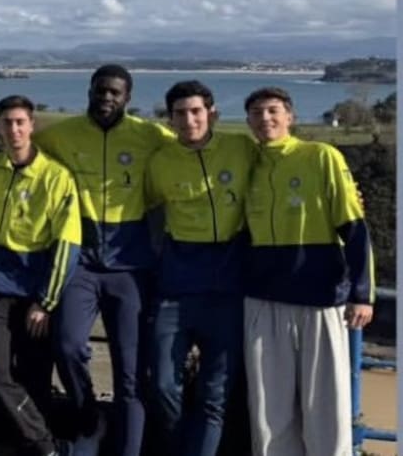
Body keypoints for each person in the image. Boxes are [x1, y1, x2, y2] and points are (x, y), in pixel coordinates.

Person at [33, 64, 173, 456]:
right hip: (82, 264)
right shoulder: (62, 134)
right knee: (67, 344)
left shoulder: (151, 136)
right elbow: (20, 152)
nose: (106, 98)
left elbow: (194, 159)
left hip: (132, 268)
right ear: (89, 91)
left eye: (115, 92)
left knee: (131, 371)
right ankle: (89, 420)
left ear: (128, 97)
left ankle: (129, 448)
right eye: (100, 90)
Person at [242, 87, 374, 456]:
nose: (264, 118)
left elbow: (354, 225)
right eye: (255, 112)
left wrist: (361, 293)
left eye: (272, 111)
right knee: (269, 411)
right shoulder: (245, 162)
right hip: (263, 297)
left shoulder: (321, 156)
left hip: (320, 296)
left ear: (290, 117)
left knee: (326, 405)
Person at [145, 80, 255, 456]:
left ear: (212, 113)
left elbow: (282, 168)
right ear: (171, 119)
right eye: (180, 113)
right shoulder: (160, 162)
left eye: (196, 111)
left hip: (227, 284)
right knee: (161, 383)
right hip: (177, 284)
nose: (189, 119)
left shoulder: (242, 148)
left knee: (215, 394)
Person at [0, 95, 79, 456]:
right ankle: (47, 447)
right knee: (0, 373)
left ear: (32, 125)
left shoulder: (56, 177)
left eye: (20, 122)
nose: (14, 129)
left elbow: (67, 242)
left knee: (35, 379)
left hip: (36, 295)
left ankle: (29, 447)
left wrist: (46, 302)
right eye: (7, 122)